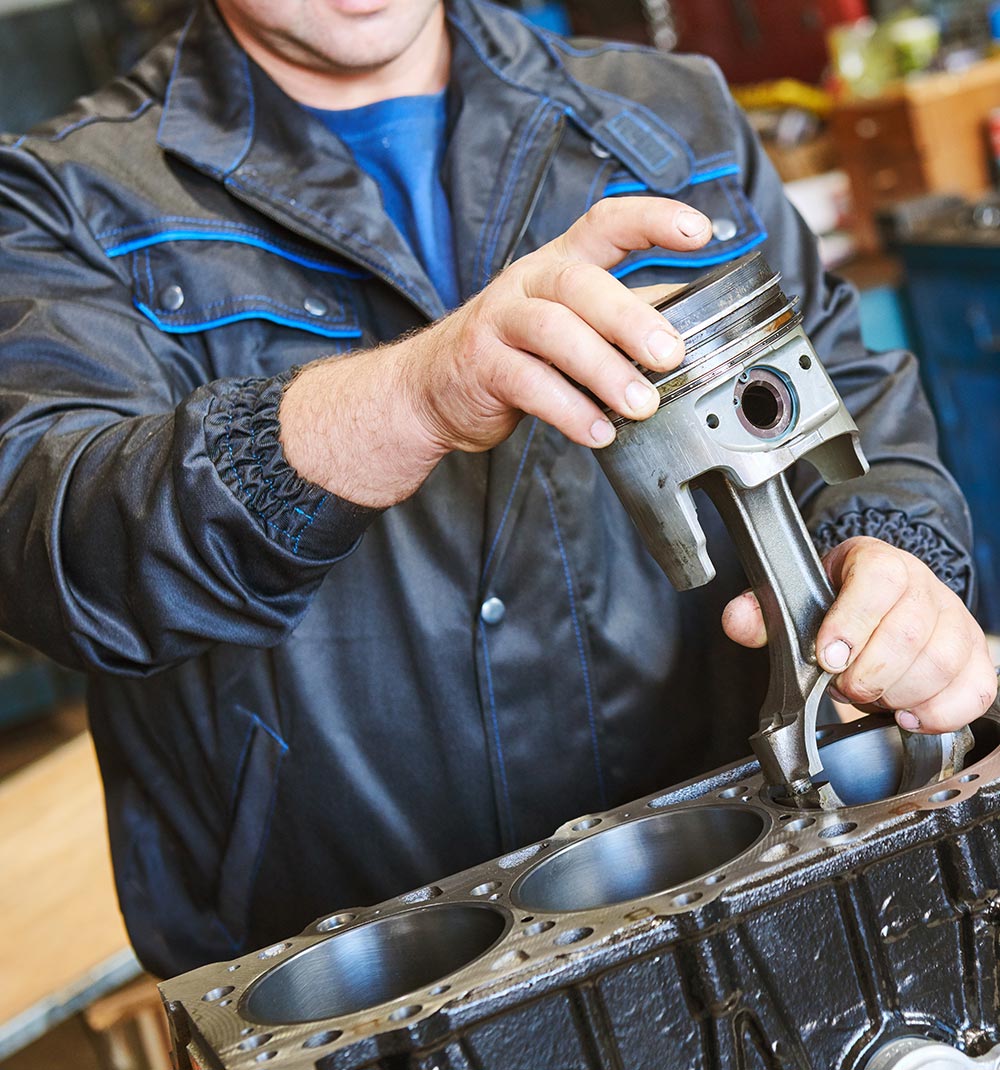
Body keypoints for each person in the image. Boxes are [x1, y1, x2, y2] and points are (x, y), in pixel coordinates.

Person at [0, 0, 994, 980]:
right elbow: (54, 547)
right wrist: (416, 391)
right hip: (358, 980)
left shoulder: (667, 113)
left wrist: (892, 556)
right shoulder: (62, 198)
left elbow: (850, 402)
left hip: (756, 901)